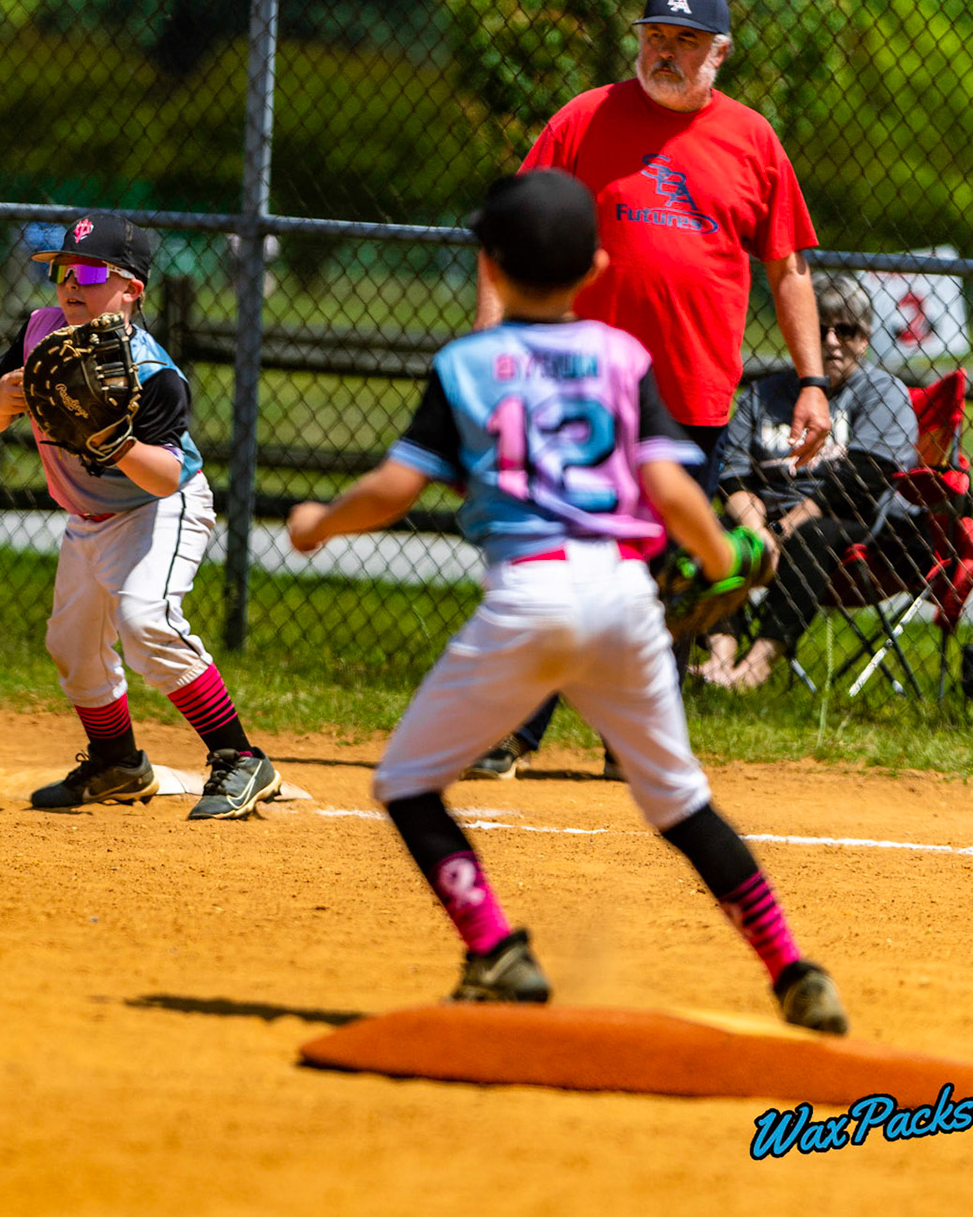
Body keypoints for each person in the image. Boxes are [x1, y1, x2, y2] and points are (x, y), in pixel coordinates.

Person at [286, 171, 848, 1033]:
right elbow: (667, 482)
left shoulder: (466, 364)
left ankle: (497, 952)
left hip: (528, 597)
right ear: (595, 264)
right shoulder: (623, 358)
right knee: (681, 803)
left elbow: (397, 487)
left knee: (407, 784)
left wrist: (321, 523)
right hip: (625, 596)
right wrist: (725, 553)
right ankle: (792, 969)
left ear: (491, 266)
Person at [472, 0, 832, 778]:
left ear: (720, 53)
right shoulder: (584, 118)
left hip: (690, 394)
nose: (664, 53)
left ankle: (630, 739)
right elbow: (507, 231)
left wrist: (813, 381)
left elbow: (789, 270)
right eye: (654, 36)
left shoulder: (752, 140)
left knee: (658, 575)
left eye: (685, 41)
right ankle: (516, 730)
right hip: (574, 383)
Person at [0, 213, 282, 820]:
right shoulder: (39, 334)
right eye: (61, 271)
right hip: (87, 515)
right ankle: (117, 763)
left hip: (160, 508)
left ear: (132, 289)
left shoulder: (153, 371)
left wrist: (113, 442)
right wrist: (1, 400)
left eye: (89, 272)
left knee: (145, 618)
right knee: (72, 643)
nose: (70, 285)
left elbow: (166, 474)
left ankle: (240, 759)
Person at [696, 272, 926, 690]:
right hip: (764, 516)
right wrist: (754, 530)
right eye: (820, 330)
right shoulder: (763, 394)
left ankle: (757, 666)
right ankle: (720, 658)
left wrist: (783, 529)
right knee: (711, 530)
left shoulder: (882, 392)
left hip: (855, 524)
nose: (833, 341)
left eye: (847, 330)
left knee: (812, 535)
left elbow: (865, 479)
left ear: (866, 336)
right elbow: (731, 475)